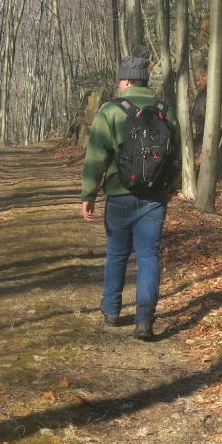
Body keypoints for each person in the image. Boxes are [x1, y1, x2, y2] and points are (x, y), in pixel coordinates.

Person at [80, 46, 177, 341]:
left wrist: (89, 194)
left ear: (125, 80)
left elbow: (96, 156)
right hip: (155, 197)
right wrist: (169, 189)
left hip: (119, 195)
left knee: (118, 253)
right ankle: (144, 319)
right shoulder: (165, 111)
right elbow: (176, 155)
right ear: (145, 81)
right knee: (149, 255)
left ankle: (111, 310)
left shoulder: (111, 110)